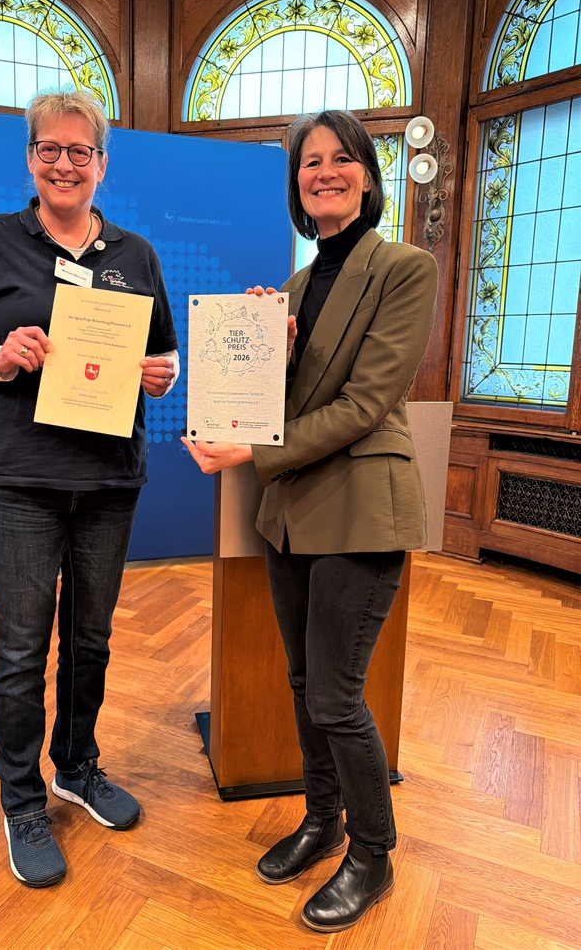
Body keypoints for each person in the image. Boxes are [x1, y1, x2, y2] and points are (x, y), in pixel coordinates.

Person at [183, 109, 437, 932]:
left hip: (362, 511)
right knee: (303, 684)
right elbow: (284, 398)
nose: (322, 171)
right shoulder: (290, 289)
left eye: (339, 159)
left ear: (366, 173)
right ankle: (322, 820)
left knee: (335, 695)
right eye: (308, 163)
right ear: (298, 184)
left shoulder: (406, 267)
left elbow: (367, 405)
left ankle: (373, 852)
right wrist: (269, 346)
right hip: (291, 517)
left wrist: (250, 454)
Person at [0, 89, 179, 888]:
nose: (65, 164)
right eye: (50, 150)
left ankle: (77, 764)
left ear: (103, 163)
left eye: (81, 151)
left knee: (92, 640)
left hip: (108, 478)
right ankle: (23, 800)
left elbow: (164, 361)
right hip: (17, 477)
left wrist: (159, 376)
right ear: (30, 159)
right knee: (20, 646)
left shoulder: (136, 254)